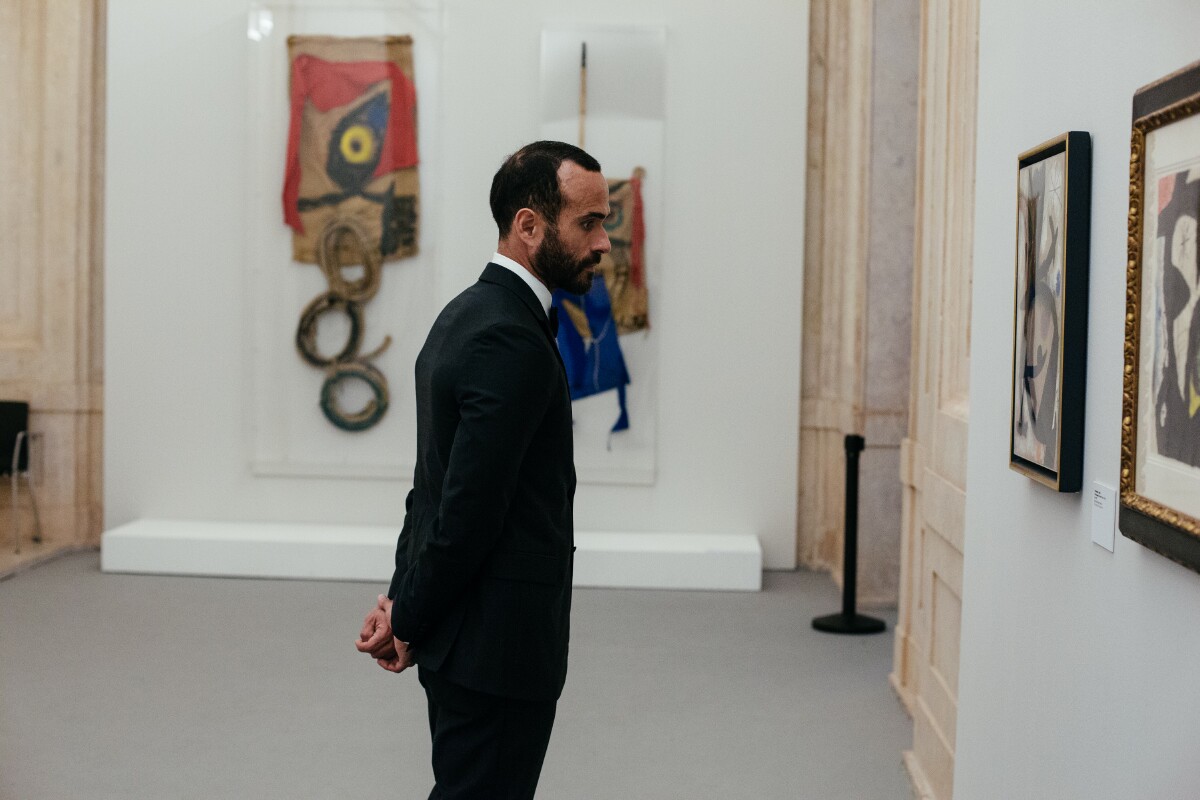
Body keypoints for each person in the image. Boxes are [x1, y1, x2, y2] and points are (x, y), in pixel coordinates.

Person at [355, 140, 611, 799]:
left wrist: (403, 603)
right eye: (588, 222)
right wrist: (407, 616)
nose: (604, 242)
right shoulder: (509, 337)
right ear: (529, 225)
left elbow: (430, 491)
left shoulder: (467, 314)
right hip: (496, 651)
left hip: (468, 642)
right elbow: (466, 510)